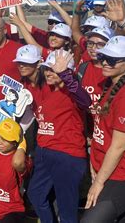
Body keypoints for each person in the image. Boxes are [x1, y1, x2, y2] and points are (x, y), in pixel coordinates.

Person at [81, 36, 125, 222]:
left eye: (113, 59)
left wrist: (98, 183)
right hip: (108, 169)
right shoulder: (113, 85)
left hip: (124, 174)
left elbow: (119, 147)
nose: (106, 63)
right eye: (104, 57)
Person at [26, 50, 91, 223]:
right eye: (47, 68)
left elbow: (86, 101)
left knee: (67, 210)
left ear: (67, 72)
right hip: (45, 151)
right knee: (35, 194)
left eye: (53, 70)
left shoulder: (72, 93)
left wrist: (64, 74)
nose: (48, 72)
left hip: (67, 155)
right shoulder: (47, 88)